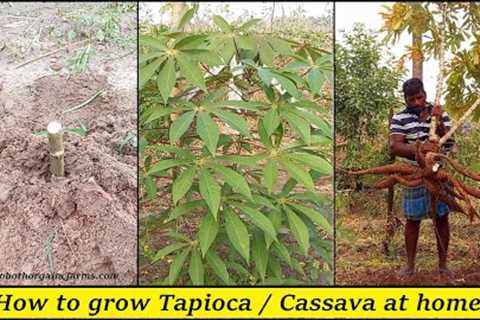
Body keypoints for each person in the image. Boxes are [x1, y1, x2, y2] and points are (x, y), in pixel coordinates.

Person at [389, 78, 455, 277]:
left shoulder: (439, 114)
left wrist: (440, 121)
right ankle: (410, 266)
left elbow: (449, 143)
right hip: (413, 172)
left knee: (442, 218)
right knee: (412, 219)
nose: (417, 102)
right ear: (405, 100)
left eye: (420, 97)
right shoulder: (400, 118)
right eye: (412, 100)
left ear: (425, 95)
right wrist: (419, 150)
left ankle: (443, 265)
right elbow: (396, 146)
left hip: (437, 171)